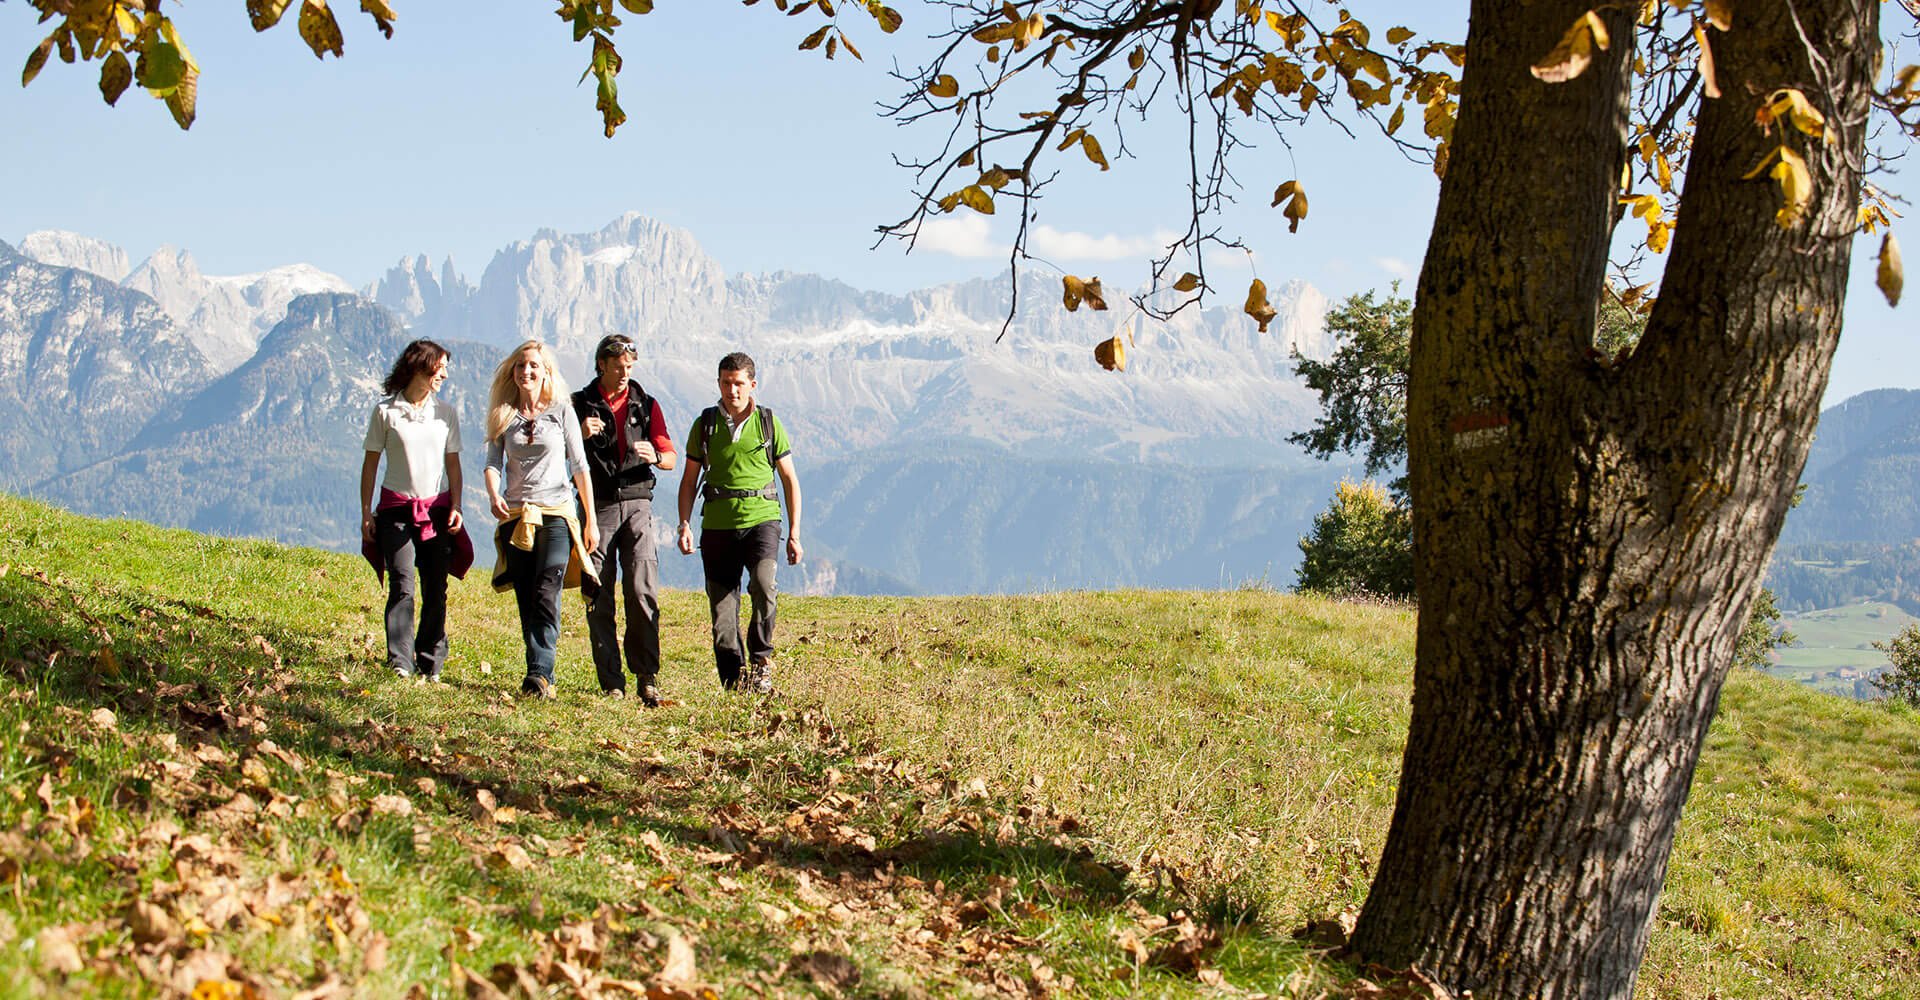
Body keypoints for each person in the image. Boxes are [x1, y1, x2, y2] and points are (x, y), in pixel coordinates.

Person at [676, 351, 803, 693]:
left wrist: (794, 533)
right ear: (719, 383)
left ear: (752, 384)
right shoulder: (704, 424)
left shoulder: (768, 422)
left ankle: (761, 662)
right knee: (722, 610)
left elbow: (789, 479)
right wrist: (684, 524)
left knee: (763, 585)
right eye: (726, 383)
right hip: (717, 525)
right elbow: (689, 480)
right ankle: (734, 681)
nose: (732, 390)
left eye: (738, 383)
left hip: (762, 518)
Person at [483, 340, 599, 699]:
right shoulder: (504, 415)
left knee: (548, 589)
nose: (526, 371)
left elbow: (580, 466)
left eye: (534, 365)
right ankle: (538, 667)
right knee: (527, 595)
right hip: (518, 516)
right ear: (512, 372)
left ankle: (540, 673)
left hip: (556, 515)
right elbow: (492, 463)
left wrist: (590, 519)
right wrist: (493, 494)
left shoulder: (562, 411)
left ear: (546, 372)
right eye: (521, 366)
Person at [571, 334, 678, 705]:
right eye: (618, 366)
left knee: (641, 589)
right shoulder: (578, 405)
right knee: (597, 592)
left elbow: (670, 457)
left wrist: (655, 455)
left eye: (629, 367)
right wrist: (580, 436)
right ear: (601, 363)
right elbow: (561, 458)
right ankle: (611, 682)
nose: (624, 373)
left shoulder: (645, 404)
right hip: (596, 506)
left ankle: (647, 677)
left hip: (637, 504)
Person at [359, 338, 472, 681]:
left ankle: (430, 660)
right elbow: (370, 465)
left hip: (435, 513)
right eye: (440, 368)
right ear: (420, 367)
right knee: (403, 584)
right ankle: (399, 661)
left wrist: (456, 504)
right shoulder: (385, 412)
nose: (444, 376)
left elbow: (453, 465)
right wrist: (366, 512)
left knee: (436, 587)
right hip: (395, 511)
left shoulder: (446, 414)